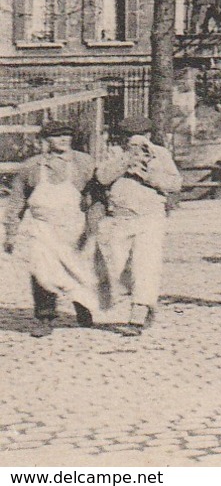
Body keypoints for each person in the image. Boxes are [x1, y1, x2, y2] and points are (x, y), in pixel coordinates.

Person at [3, 123, 98, 338]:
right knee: (41, 271)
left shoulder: (84, 163)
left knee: (76, 270)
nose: (63, 140)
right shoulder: (32, 166)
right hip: (41, 228)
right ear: (46, 141)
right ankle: (44, 318)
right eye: (57, 136)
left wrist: (92, 227)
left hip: (73, 226)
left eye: (67, 135)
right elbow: (18, 200)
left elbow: (95, 198)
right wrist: (11, 232)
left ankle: (82, 306)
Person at [95, 117, 182, 336]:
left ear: (150, 136)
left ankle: (139, 313)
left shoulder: (160, 154)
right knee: (113, 264)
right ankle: (143, 300)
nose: (136, 142)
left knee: (146, 265)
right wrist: (126, 160)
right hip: (120, 218)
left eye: (143, 136)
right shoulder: (113, 153)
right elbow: (102, 178)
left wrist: (147, 172)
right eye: (130, 138)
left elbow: (175, 184)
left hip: (150, 217)